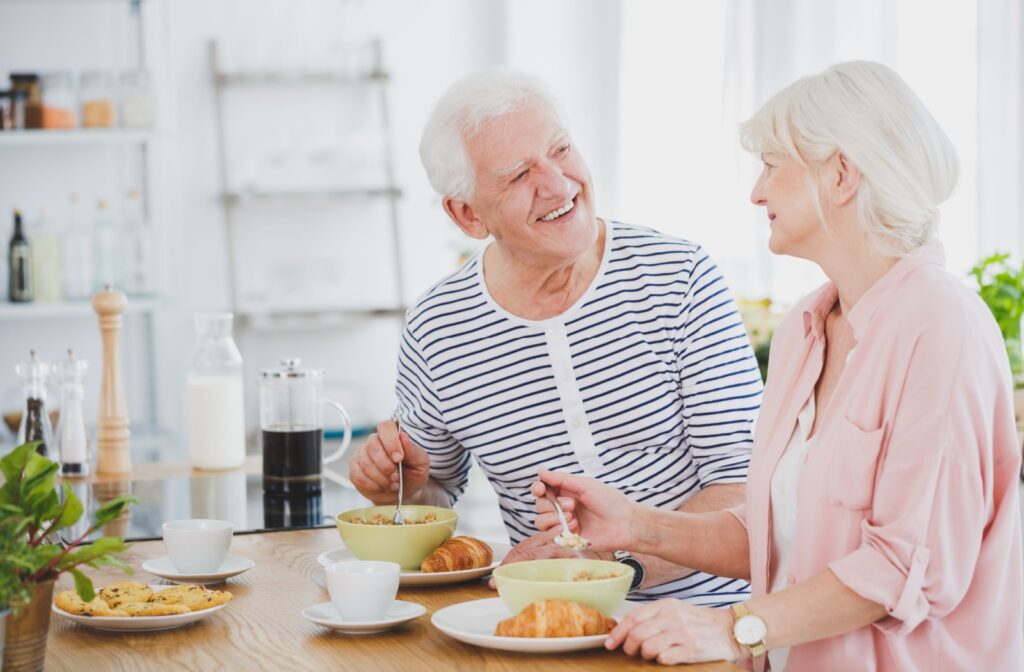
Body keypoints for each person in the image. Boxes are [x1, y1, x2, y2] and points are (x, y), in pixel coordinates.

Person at [533, 60, 1023, 669]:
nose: (756, 191)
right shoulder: (804, 329)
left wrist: (730, 628)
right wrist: (633, 525)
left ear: (840, 174)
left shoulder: (943, 324)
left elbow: (906, 566)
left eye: (771, 164)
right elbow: (778, 534)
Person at [347, 68, 764, 606]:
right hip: (543, 630)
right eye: (519, 174)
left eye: (561, 149)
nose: (558, 184)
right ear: (468, 214)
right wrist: (394, 490)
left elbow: (744, 488)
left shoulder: (680, 277)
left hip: (711, 621)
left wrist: (608, 566)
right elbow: (434, 494)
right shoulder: (438, 325)